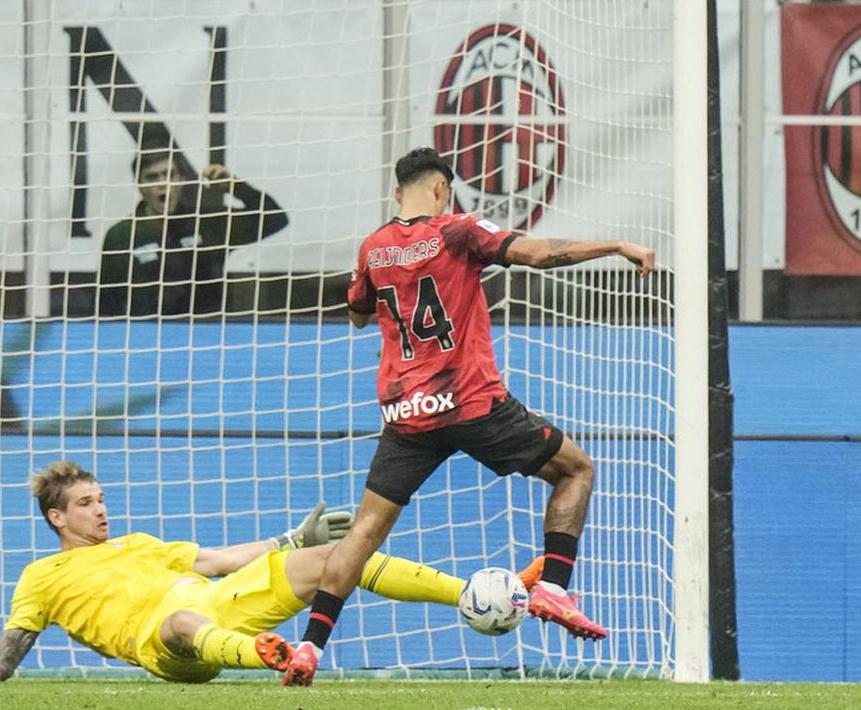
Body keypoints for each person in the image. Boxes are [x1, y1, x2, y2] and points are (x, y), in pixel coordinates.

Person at [281, 147, 656, 686]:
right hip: (472, 402)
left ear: (396, 193)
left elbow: (359, 314)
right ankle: (552, 585)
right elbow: (536, 253)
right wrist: (615, 244)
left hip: (408, 413)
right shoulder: (458, 229)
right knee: (576, 470)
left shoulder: (373, 247)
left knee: (362, 534)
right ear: (441, 190)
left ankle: (310, 649)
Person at [0, 460, 506, 684]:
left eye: (101, 499)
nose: (100, 510)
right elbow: (2, 661)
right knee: (181, 619)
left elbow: (215, 561)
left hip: (218, 600)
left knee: (333, 560)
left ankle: (472, 594)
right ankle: (268, 656)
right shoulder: (41, 578)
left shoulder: (139, 542)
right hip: (168, 644)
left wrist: (295, 538)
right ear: (55, 518)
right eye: (85, 504)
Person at [98, 145, 288, 317]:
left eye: (169, 174)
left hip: (206, 336)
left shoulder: (207, 223)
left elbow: (275, 219)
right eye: (152, 177)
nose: (163, 184)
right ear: (138, 184)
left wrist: (234, 186)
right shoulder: (121, 236)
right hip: (148, 340)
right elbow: (106, 304)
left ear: (181, 180)